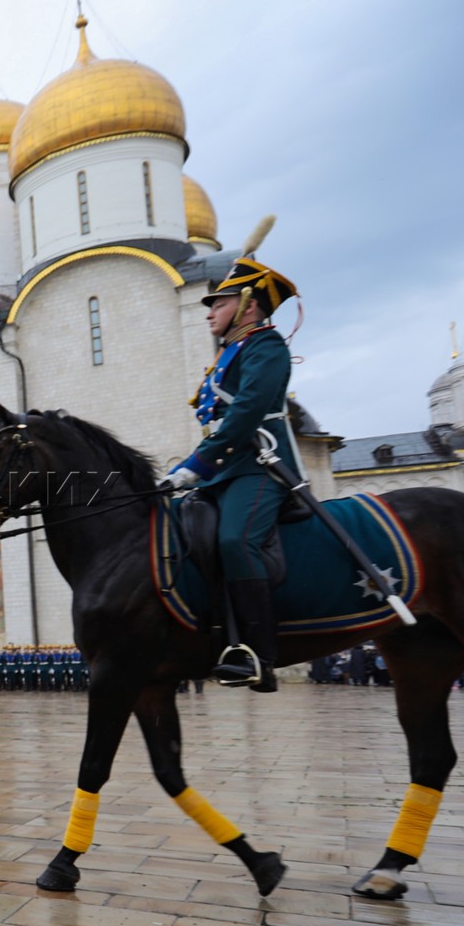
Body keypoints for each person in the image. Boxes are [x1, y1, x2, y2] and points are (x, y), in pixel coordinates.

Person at [163, 255, 298, 693]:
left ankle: (259, 655)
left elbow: (246, 413)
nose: (209, 313)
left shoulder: (266, 346)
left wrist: (195, 466)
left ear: (247, 305)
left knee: (234, 540)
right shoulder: (232, 351)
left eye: (217, 304)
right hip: (223, 471)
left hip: (260, 466)